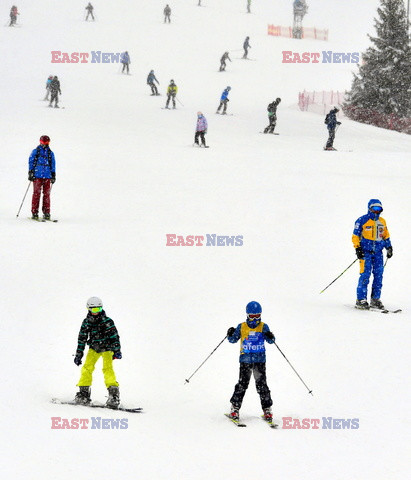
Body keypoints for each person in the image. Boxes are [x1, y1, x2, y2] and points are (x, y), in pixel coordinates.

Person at [227, 301, 275, 421]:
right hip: (246, 360)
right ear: (247, 315)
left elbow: (271, 341)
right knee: (242, 384)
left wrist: (270, 336)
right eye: (252, 316)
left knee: (262, 385)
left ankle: (267, 409)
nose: (255, 319)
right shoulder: (242, 326)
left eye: (257, 316)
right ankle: (235, 408)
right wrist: (230, 334)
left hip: (259, 360)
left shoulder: (263, 326)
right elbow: (233, 340)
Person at [73, 297, 122, 409]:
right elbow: (82, 339)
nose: (96, 312)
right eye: (94, 310)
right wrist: (78, 354)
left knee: (107, 369)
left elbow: (115, 336)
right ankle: (83, 394)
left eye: (99, 309)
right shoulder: (86, 322)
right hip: (94, 348)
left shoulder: (107, 321)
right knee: (87, 368)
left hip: (107, 348)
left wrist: (117, 350)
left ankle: (113, 396)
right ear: (89, 309)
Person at [352, 199, 393, 310]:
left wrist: (388, 247)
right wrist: (358, 248)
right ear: (369, 208)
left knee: (378, 276)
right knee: (365, 275)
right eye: (374, 208)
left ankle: (375, 299)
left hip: (378, 253)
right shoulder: (362, 220)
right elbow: (355, 236)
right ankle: (361, 299)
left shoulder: (382, 221)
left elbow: (386, 235)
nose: (376, 211)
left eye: (379, 209)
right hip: (366, 253)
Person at [28, 135, 56, 220]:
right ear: (40, 142)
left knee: (46, 195)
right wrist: (31, 172)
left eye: (47, 142)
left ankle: (47, 212)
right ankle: (34, 212)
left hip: (47, 176)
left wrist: (53, 174)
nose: (46, 144)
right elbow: (31, 161)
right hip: (37, 176)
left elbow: (53, 164)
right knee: (36, 194)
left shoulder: (50, 153)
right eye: (44, 142)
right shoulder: (36, 151)